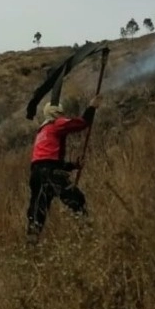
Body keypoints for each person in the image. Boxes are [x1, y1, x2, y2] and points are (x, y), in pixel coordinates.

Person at [26, 93, 101, 244]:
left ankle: (31, 242)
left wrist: (73, 165)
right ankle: (87, 233)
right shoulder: (56, 124)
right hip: (49, 173)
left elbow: (48, 159)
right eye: (61, 113)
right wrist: (92, 107)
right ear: (56, 114)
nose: (63, 116)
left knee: (37, 210)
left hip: (36, 173)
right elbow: (82, 123)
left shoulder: (42, 131)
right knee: (76, 199)